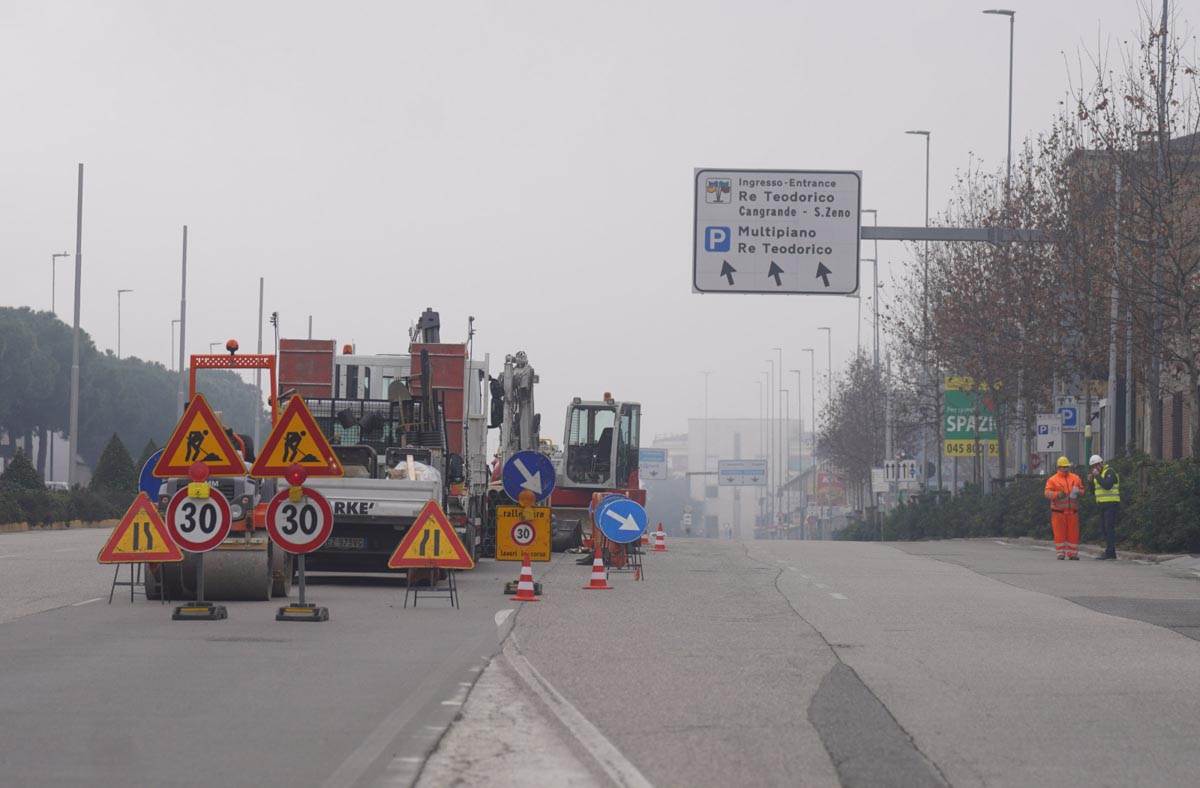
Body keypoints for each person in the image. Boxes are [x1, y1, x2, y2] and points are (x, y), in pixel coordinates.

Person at [1044, 456, 1085, 560]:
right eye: (1063, 467)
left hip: (1073, 512)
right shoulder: (1052, 480)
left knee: (1073, 534)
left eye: (1067, 467)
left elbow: (1082, 490)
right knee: (1059, 533)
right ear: (1058, 467)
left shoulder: (1075, 478)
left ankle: (1073, 553)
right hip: (1058, 512)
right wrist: (1057, 495)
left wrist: (1078, 492)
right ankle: (1060, 553)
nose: (1065, 469)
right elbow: (1047, 493)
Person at [1088, 454, 1120, 560]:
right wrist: (1090, 482)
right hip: (1102, 505)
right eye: (1093, 466)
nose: (1095, 468)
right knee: (1104, 529)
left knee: (1109, 528)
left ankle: (1110, 552)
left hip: (1111, 503)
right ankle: (1110, 551)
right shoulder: (1098, 475)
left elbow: (1107, 485)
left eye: (1097, 465)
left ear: (1101, 463)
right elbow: (1093, 491)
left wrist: (1097, 476)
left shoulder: (1109, 472)